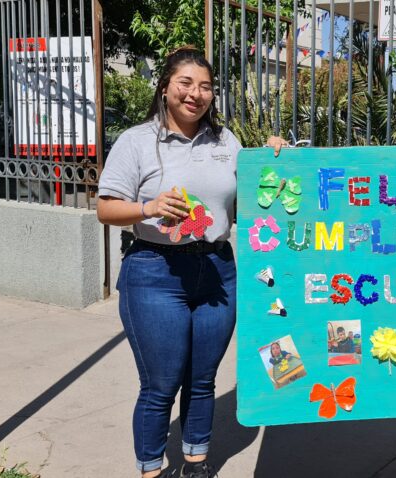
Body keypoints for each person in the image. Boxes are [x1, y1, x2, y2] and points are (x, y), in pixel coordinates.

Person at [97, 46, 286, 478]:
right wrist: (148, 207)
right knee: (161, 384)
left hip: (217, 269)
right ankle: (151, 470)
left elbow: (262, 189)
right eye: (186, 83)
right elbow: (105, 209)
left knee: (203, 380)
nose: (195, 94)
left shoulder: (226, 141)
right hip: (155, 271)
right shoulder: (137, 141)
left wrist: (273, 155)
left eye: (205, 87)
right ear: (165, 86)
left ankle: (196, 464)